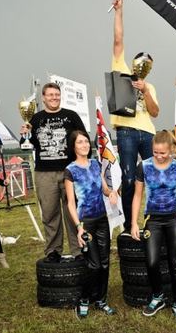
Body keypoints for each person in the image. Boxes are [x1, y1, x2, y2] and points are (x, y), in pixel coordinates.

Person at [131, 130, 176, 324]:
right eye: (155, 152)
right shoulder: (143, 165)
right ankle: (158, 296)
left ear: (171, 150)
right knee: (151, 261)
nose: (159, 156)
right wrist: (134, 222)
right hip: (152, 218)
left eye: (163, 153)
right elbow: (137, 195)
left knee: (175, 262)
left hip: (174, 218)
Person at [20, 82, 86, 262]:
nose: (54, 98)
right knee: (50, 214)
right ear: (43, 97)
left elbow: (83, 138)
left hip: (69, 172)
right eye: (50, 95)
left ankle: (78, 249)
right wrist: (24, 134)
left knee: (72, 212)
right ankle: (53, 250)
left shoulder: (71, 116)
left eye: (57, 94)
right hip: (44, 174)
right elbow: (26, 145)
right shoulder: (35, 118)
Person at [110, 0, 160, 230]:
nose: (142, 68)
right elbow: (118, 39)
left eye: (147, 66)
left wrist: (146, 91)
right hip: (126, 132)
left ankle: (156, 219)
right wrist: (119, 11)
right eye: (141, 64)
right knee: (129, 178)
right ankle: (131, 224)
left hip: (147, 133)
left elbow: (155, 112)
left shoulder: (149, 86)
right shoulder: (121, 70)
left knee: (154, 176)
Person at [64, 130, 118, 319]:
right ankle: (84, 299)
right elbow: (71, 203)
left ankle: (102, 300)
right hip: (86, 223)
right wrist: (79, 227)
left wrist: (111, 193)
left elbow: (104, 188)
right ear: (73, 146)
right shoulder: (70, 170)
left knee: (104, 263)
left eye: (86, 141)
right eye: (80, 142)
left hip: (102, 219)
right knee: (94, 265)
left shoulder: (96, 164)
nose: (85, 145)